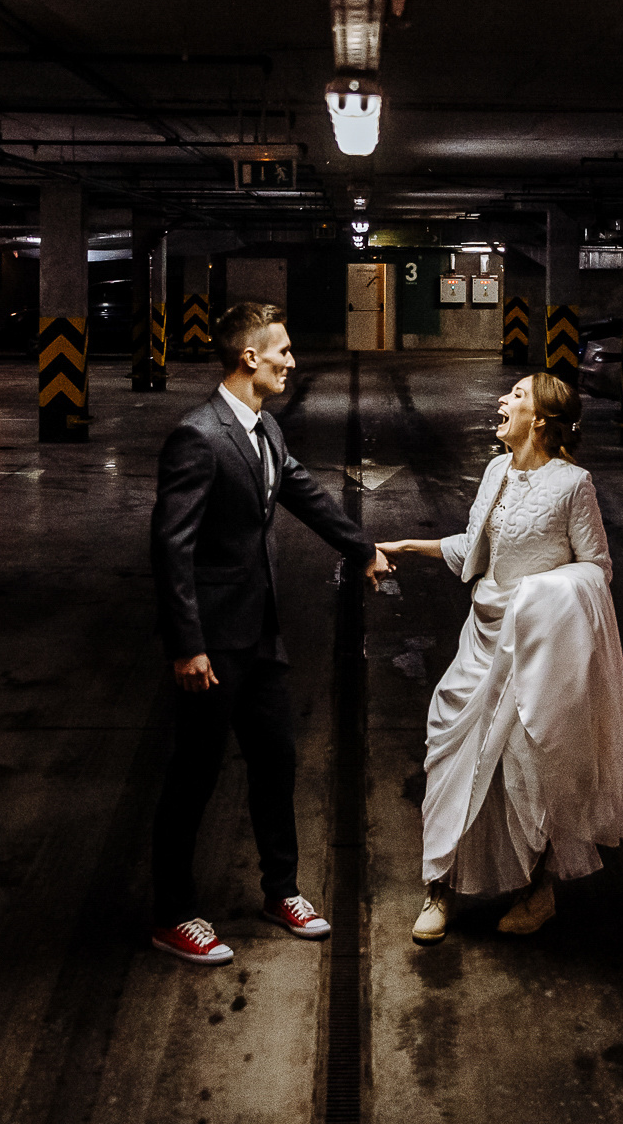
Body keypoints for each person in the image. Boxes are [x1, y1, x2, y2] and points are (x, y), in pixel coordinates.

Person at [148, 300, 394, 966]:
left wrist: (361, 547)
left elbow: (305, 493)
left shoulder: (265, 431)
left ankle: (280, 891)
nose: (291, 361)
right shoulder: (198, 437)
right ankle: (173, 913)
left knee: (275, 764)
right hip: (213, 643)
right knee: (194, 777)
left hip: (262, 636)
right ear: (249, 357)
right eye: (282, 350)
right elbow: (171, 549)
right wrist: (187, 644)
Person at [377, 371, 623, 942]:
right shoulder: (496, 471)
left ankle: (537, 891)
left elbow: (598, 569)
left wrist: (539, 597)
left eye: (517, 395)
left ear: (541, 420)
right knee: (450, 761)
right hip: (480, 642)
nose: (503, 400)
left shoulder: (574, 484)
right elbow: (477, 548)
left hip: (535, 653)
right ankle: (438, 889)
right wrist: (409, 546)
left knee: (528, 771)